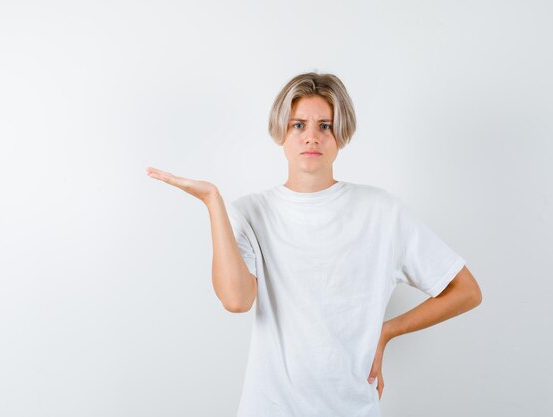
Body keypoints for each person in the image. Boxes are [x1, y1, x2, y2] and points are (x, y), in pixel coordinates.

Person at [145, 71, 482, 417]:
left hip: (353, 408)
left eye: (324, 126)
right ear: (281, 133)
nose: (311, 138)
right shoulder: (251, 213)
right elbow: (236, 299)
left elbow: (465, 290)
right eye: (298, 125)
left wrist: (387, 331)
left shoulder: (381, 211)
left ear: (341, 134)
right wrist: (213, 201)